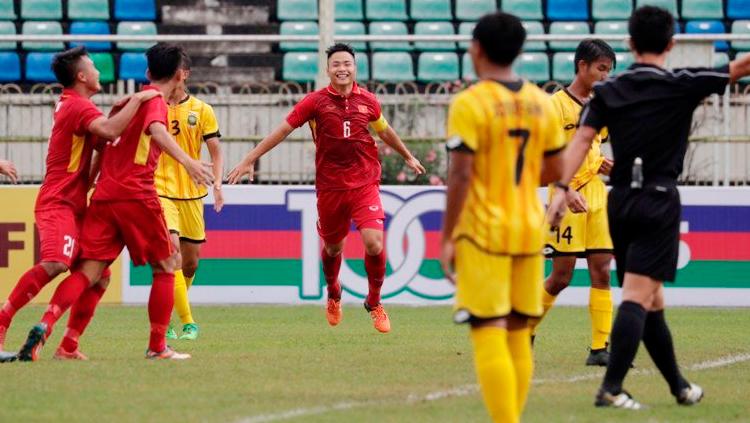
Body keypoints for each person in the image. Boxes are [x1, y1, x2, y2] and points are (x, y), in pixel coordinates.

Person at [547, 5, 750, 409]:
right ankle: (611, 386)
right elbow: (739, 68)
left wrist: (559, 189)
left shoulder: (608, 92)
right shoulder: (683, 83)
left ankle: (679, 386)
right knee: (639, 295)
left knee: (652, 300)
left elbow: (580, 143)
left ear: (630, 43)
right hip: (658, 199)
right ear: (672, 44)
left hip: (620, 202)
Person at [16, 43, 214, 361]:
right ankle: (157, 345)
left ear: (148, 72)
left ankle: (51, 330)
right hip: (136, 194)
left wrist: (93, 184)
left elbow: (102, 145)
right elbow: (158, 131)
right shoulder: (155, 101)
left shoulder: (123, 103)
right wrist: (189, 162)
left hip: (105, 196)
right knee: (166, 265)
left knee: (92, 271)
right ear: (180, 76)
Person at [227, 43, 425, 333]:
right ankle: (334, 291)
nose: (342, 68)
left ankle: (374, 300)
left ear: (354, 67)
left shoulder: (369, 101)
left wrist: (407, 155)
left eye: (347, 63)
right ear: (328, 69)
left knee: (374, 243)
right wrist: (249, 159)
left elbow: (384, 131)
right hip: (331, 187)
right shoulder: (315, 102)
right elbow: (282, 130)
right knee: (333, 249)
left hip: (364, 182)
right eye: (336, 64)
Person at [439, 12, 565, 422]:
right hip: (529, 226)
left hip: (484, 231)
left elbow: (460, 174)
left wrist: (447, 237)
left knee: (489, 327)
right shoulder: (542, 103)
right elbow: (554, 170)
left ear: (476, 49)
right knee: (517, 328)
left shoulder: (470, 103)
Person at [0, 47, 162, 360]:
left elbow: (103, 144)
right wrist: (141, 99)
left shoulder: (76, 106)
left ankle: (68, 345)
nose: (100, 72)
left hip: (74, 203)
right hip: (58, 203)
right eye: (94, 68)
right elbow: (112, 130)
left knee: (100, 275)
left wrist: (117, 110)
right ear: (82, 76)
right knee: (56, 263)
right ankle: (3, 322)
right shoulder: (78, 107)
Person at [528, 39, 616, 367]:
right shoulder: (555, 106)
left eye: (609, 70)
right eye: (601, 68)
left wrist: (603, 162)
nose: (605, 76)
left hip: (595, 193)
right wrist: (563, 190)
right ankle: (526, 328)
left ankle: (599, 348)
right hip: (564, 196)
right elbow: (543, 157)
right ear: (582, 66)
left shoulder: (601, 104)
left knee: (602, 270)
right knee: (561, 276)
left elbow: (592, 146)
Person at [155, 53, 224, 341]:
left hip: (192, 193)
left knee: (190, 263)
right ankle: (188, 322)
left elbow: (215, 152)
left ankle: (168, 311)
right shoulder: (153, 107)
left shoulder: (202, 109)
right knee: (173, 254)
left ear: (184, 74)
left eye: (174, 71)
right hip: (159, 189)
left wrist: (218, 185)